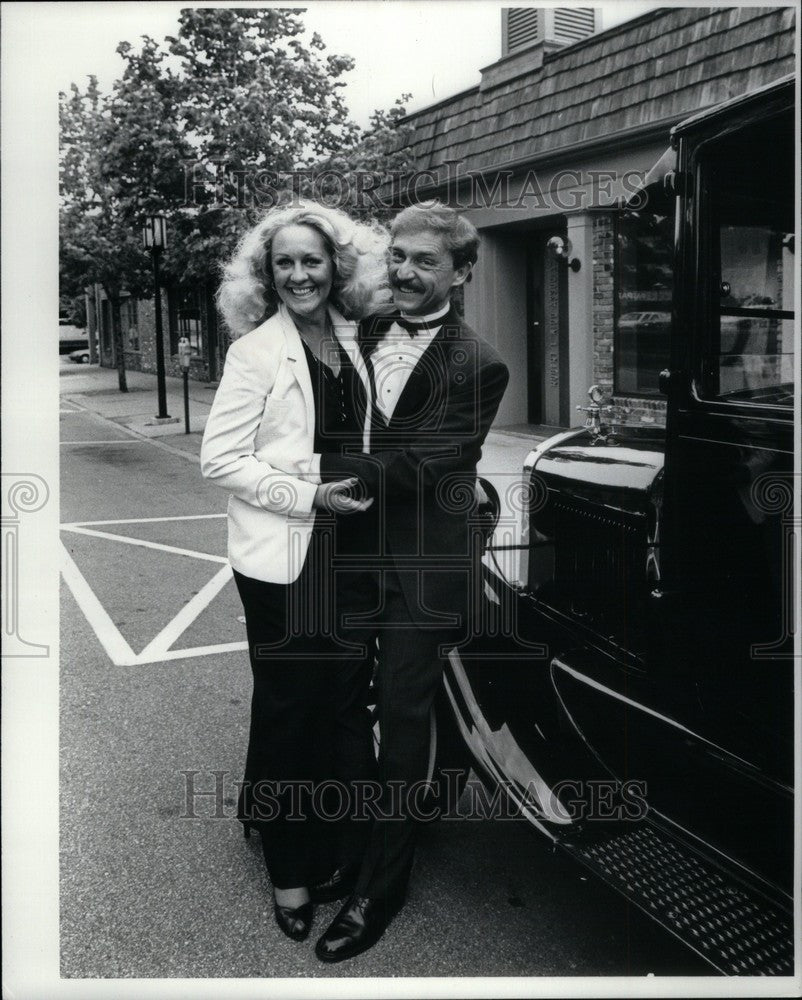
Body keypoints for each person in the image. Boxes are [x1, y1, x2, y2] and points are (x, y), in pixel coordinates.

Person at [309, 200, 510, 962]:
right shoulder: (359, 332)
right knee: (337, 703)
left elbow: (420, 463)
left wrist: (299, 476)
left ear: (461, 272)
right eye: (397, 255)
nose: (404, 271)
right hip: (350, 552)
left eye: (425, 261)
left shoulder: (482, 363)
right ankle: (352, 847)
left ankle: (380, 887)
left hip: (423, 568)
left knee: (401, 720)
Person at [200, 201, 389, 943]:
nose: (299, 274)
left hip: (348, 552)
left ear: (335, 266)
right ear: (265, 273)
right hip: (283, 558)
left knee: (343, 703)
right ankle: (289, 870)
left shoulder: (354, 337)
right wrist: (306, 490)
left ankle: (339, 846)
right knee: (289, 712)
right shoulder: (254, 352)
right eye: (284, 262)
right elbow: (220, 459)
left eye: (312, 260)